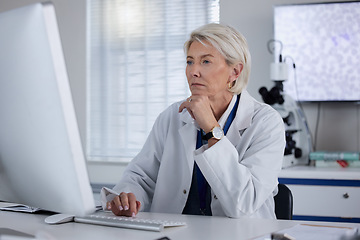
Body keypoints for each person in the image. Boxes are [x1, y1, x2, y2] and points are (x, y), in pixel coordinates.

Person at [102, 23, 285, 219]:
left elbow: (244, 204)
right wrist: (128, 196)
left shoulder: (265, 122)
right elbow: (141, 177)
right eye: (190, 62)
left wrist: (211, 128)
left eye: (206, 62)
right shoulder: (172, 116)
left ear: (235, 72)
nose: (193, 71)